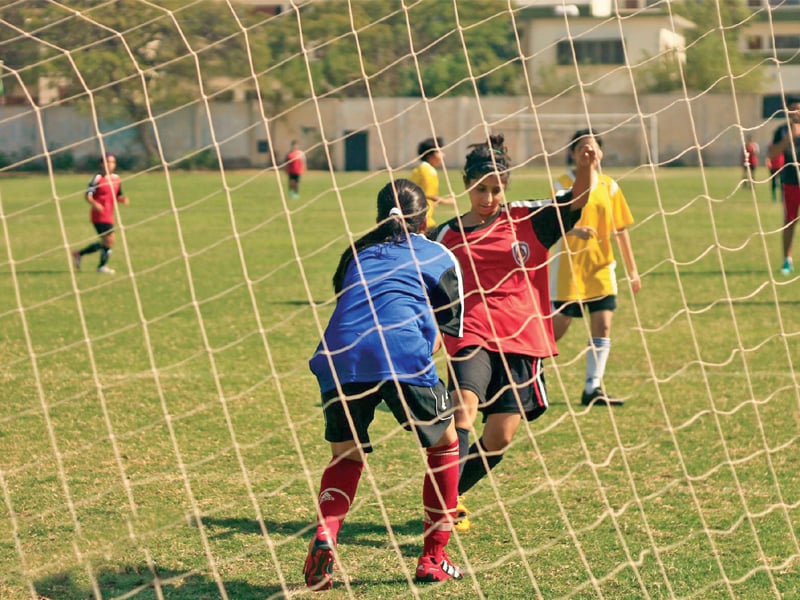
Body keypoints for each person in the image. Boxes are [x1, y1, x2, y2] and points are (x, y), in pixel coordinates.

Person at [304, 179, 466, 590]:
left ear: (379, 217)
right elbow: (452, 329)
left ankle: (326, 533)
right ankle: (434, 555)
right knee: (445, 443)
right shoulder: (437, 253)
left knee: (346, 456)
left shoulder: (355, 253)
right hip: (401, 353)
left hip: (340, 356)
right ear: (425, 217)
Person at [433, 133, 598, 532]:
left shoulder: (526, 218)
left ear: (505, 187)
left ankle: (450, 495)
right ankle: (440, 511)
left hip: (520, 338)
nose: (488, 197)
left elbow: (576, 200)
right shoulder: (445, 235)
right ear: (466, 184)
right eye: (480, 189)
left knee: (500, 438)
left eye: (496, 189)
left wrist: (586, 165)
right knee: (464, 408)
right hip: (472, 335)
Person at [550, 129, 641, 408]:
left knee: (603, 323)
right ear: (573, 154)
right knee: (558, 328)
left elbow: (620, 229)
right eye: (583, 149)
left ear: (600, 153)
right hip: (569, 267)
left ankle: (594, 386)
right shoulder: (563, 182)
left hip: (601, 266)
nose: (589, 153)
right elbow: (554, 217)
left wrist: (632, 269)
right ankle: (527, 372)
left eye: (594, 149)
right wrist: (575, 231)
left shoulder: (610, 186)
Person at [72, 153, 129, 274]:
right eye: (107, 162)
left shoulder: (116, 178)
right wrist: (95, 204)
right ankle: (101, 267)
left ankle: (79, 254)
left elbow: (117, 195)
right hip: (99, 215)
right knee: (109, 240)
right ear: (101, 164)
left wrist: (122, 200)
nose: (110, 164)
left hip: (109, 214)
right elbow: (88, 196)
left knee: (107, 241)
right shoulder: (97, 178)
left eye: (112, 162)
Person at [768, 96, 800, 275]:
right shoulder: (781, 131)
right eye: (792, 108)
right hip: (790, 182)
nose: (795, 112)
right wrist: (789, 138)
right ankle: (787, 260)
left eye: (798, 108)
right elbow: (772, 154)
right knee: (789, 222)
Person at [410, 137, 456, 229]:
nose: (443, 155)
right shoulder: (429, 171)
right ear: (430, 155)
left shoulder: (419, 169)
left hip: (413, 216)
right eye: (440, 152)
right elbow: (427, 194)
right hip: (423, 220)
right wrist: (448, 201)